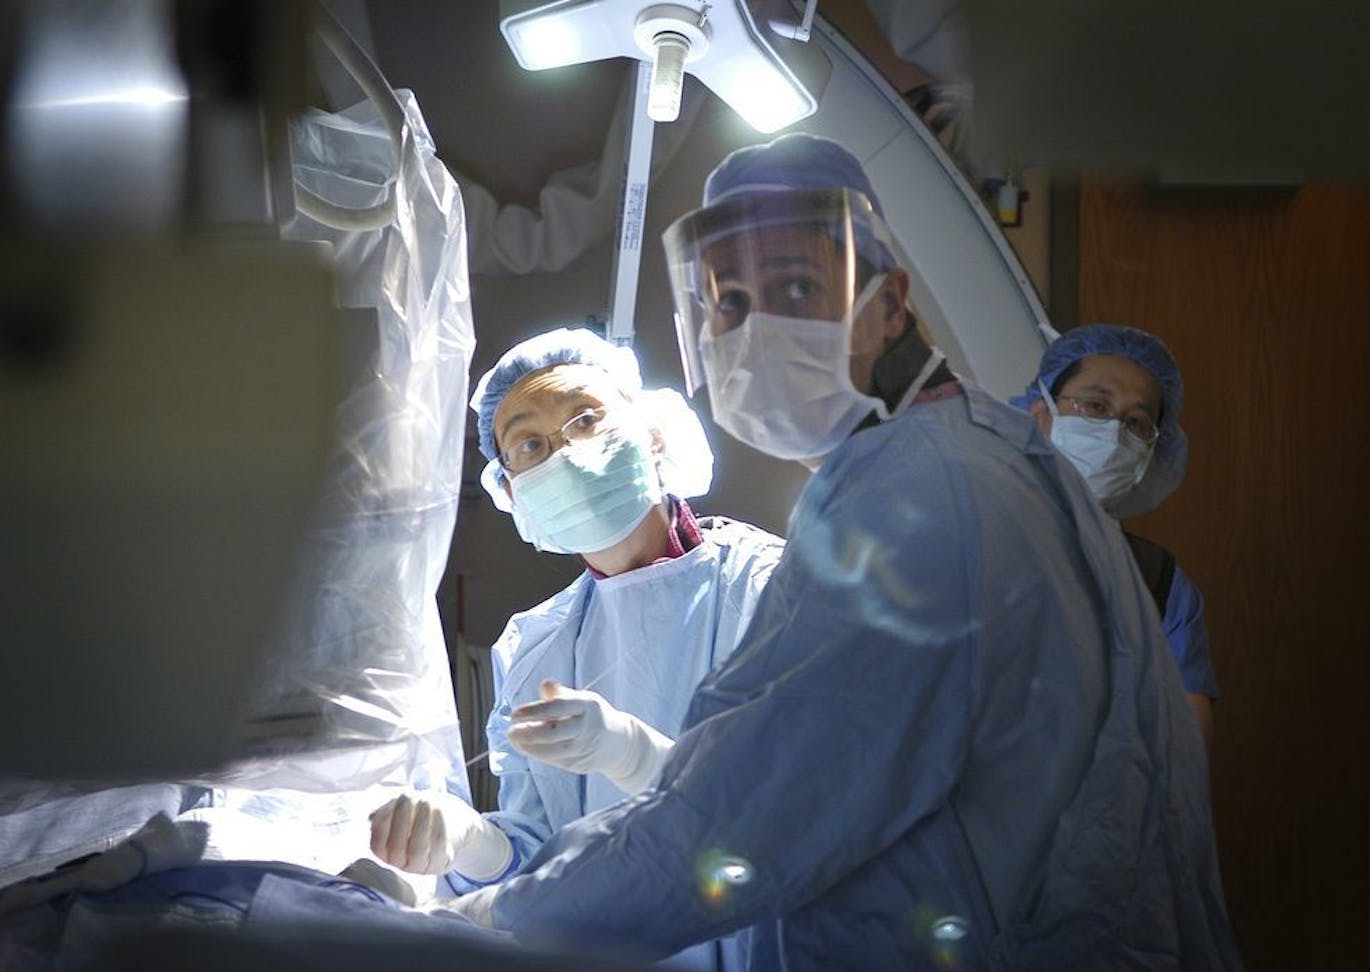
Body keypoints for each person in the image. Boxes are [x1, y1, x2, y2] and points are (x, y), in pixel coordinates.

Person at [440, 134, 1239, 969]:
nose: (757, 333)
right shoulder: (961, 454)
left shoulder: (917, 501)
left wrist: (490, 919)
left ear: (888, 304)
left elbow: (736, 819)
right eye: (730, 303)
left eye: (796, 286)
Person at [367, 327, 783, 967]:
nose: (563, 454)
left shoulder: (771, 589)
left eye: (586, 419)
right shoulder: (536, 646)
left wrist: (635, 754)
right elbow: (543, 857)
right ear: (511, 491)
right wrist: (467, 840)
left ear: (652, 434)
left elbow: (803, 813)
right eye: (529, 444)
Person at [1011, 324, 1219, 745]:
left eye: (1137, 422)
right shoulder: (960, 537)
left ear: (1151, 453)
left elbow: (1186, 742)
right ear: (1039, 414)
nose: (1113, 434)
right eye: (1095, 406)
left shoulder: (1158, 583)